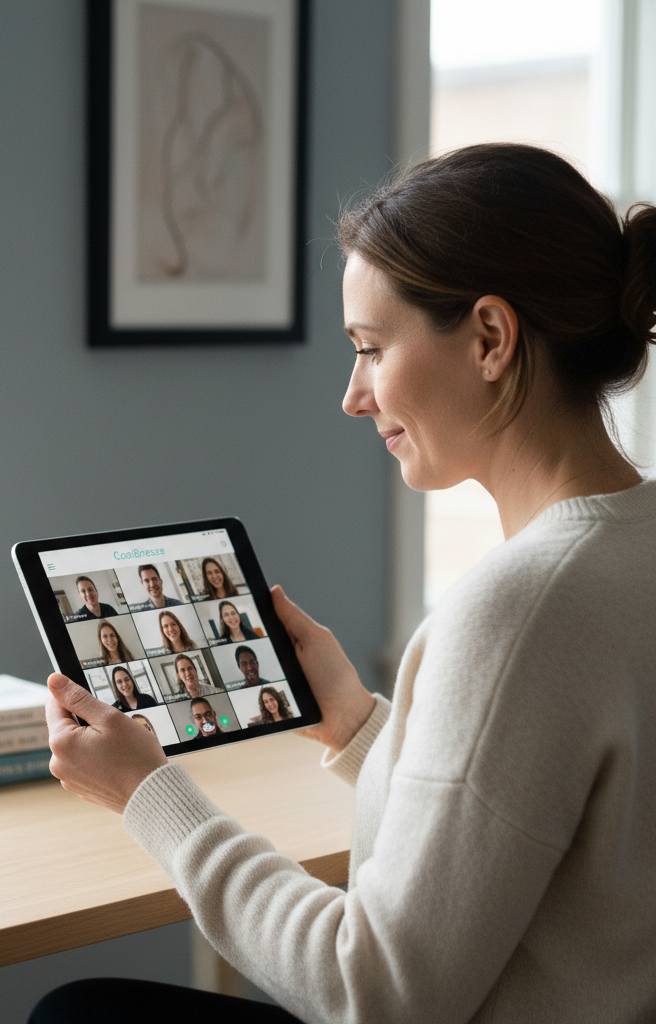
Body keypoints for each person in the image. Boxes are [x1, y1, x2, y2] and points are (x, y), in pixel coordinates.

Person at [35, 144, 656, 1023]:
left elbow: (376, 993)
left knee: (79, 1013)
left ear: (490, 337)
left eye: (369, 348)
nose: (353, 396)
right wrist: (359, 726)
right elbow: (539, 843)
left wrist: (150, 796)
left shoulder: (520, 611)